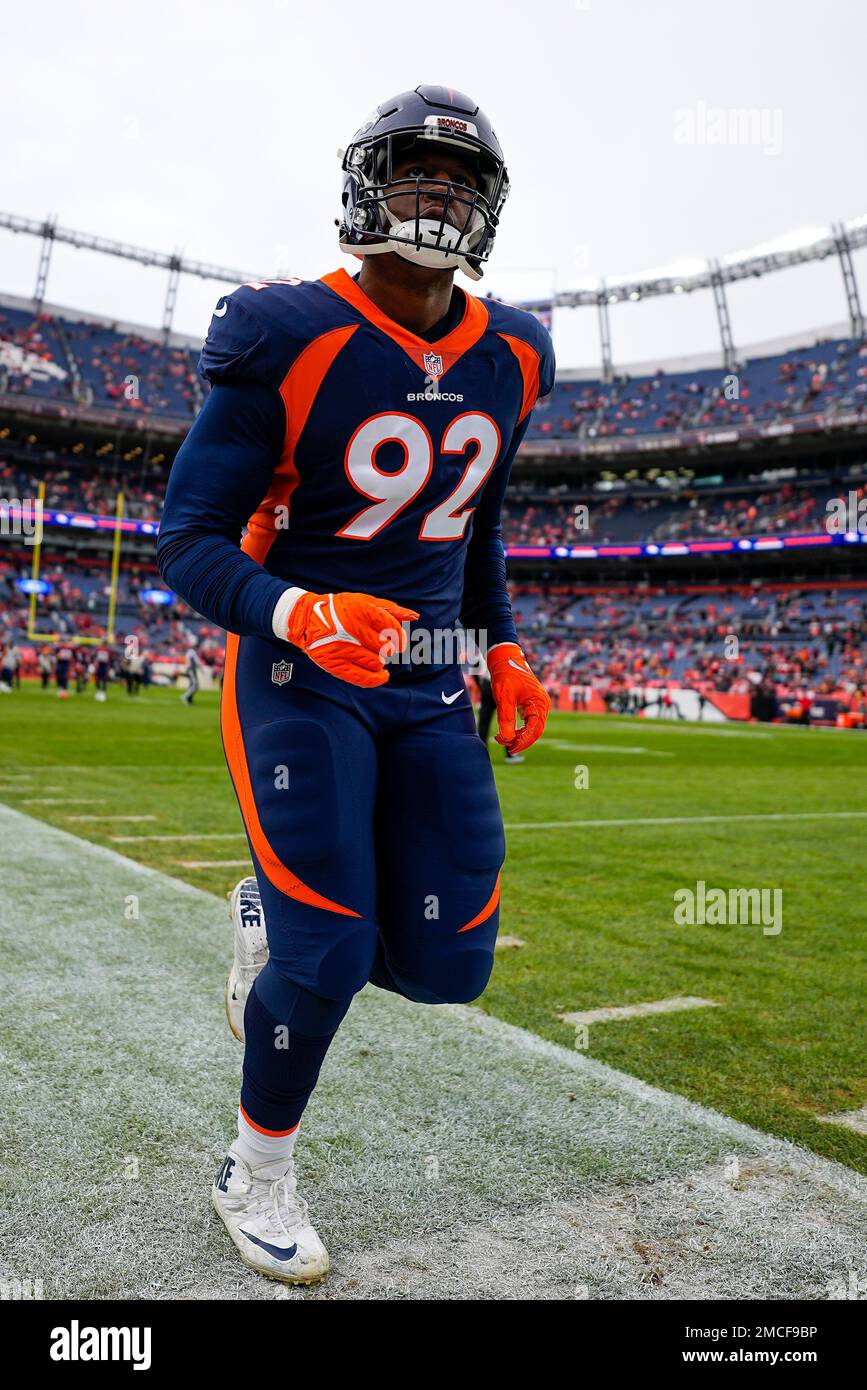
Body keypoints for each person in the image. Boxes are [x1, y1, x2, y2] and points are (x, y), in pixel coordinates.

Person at [157, 85, 554, 1287]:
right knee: (331, 949)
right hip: (299, 668)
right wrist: (300, 608)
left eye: (456, 183)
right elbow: (188, 539)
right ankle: (255, 1168)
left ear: (486, 210)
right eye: (412, 175)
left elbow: (472, 529)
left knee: (447, 964)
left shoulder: (517, 353)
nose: (433, 199)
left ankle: (270, 921)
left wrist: (502, 643)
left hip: (429, 674)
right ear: (363, 188)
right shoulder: (286, 330)